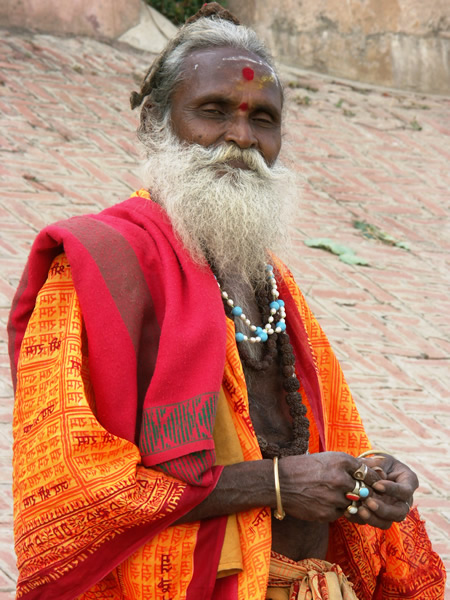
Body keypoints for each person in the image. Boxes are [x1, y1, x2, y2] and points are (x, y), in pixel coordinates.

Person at [8, 4, 445, 599]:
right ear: (158, 125)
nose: (240, 138)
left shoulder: (269, 281)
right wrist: (275, 485)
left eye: (262, 119)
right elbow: (72, 496)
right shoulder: (95, 268)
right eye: (212, 112)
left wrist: (368, 478)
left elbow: (315, 437)